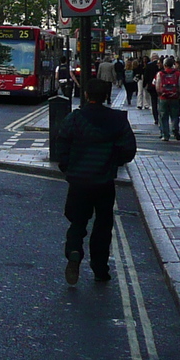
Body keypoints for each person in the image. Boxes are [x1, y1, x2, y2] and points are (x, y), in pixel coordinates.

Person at [55, 77, 137, 285]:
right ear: (106, 96)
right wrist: (112, 163)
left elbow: (61, 144)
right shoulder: (118, 119)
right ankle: (100, 268)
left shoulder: (75, 118)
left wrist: (68, 168)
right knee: (103, 225)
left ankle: (74, 251)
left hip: (79, 181)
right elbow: (129, 150)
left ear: (86, 95)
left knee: (77, 221)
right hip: (104, 182)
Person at [156, 57, 180, 141]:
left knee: (163, 117)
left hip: (163, 98)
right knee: (175, 115)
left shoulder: (160, 74)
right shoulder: (178, 73)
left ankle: (165, 135)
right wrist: (178, 95)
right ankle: (175, 128)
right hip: (174, 97)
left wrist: (160, 94)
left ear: (164, 65)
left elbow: (157, 86)